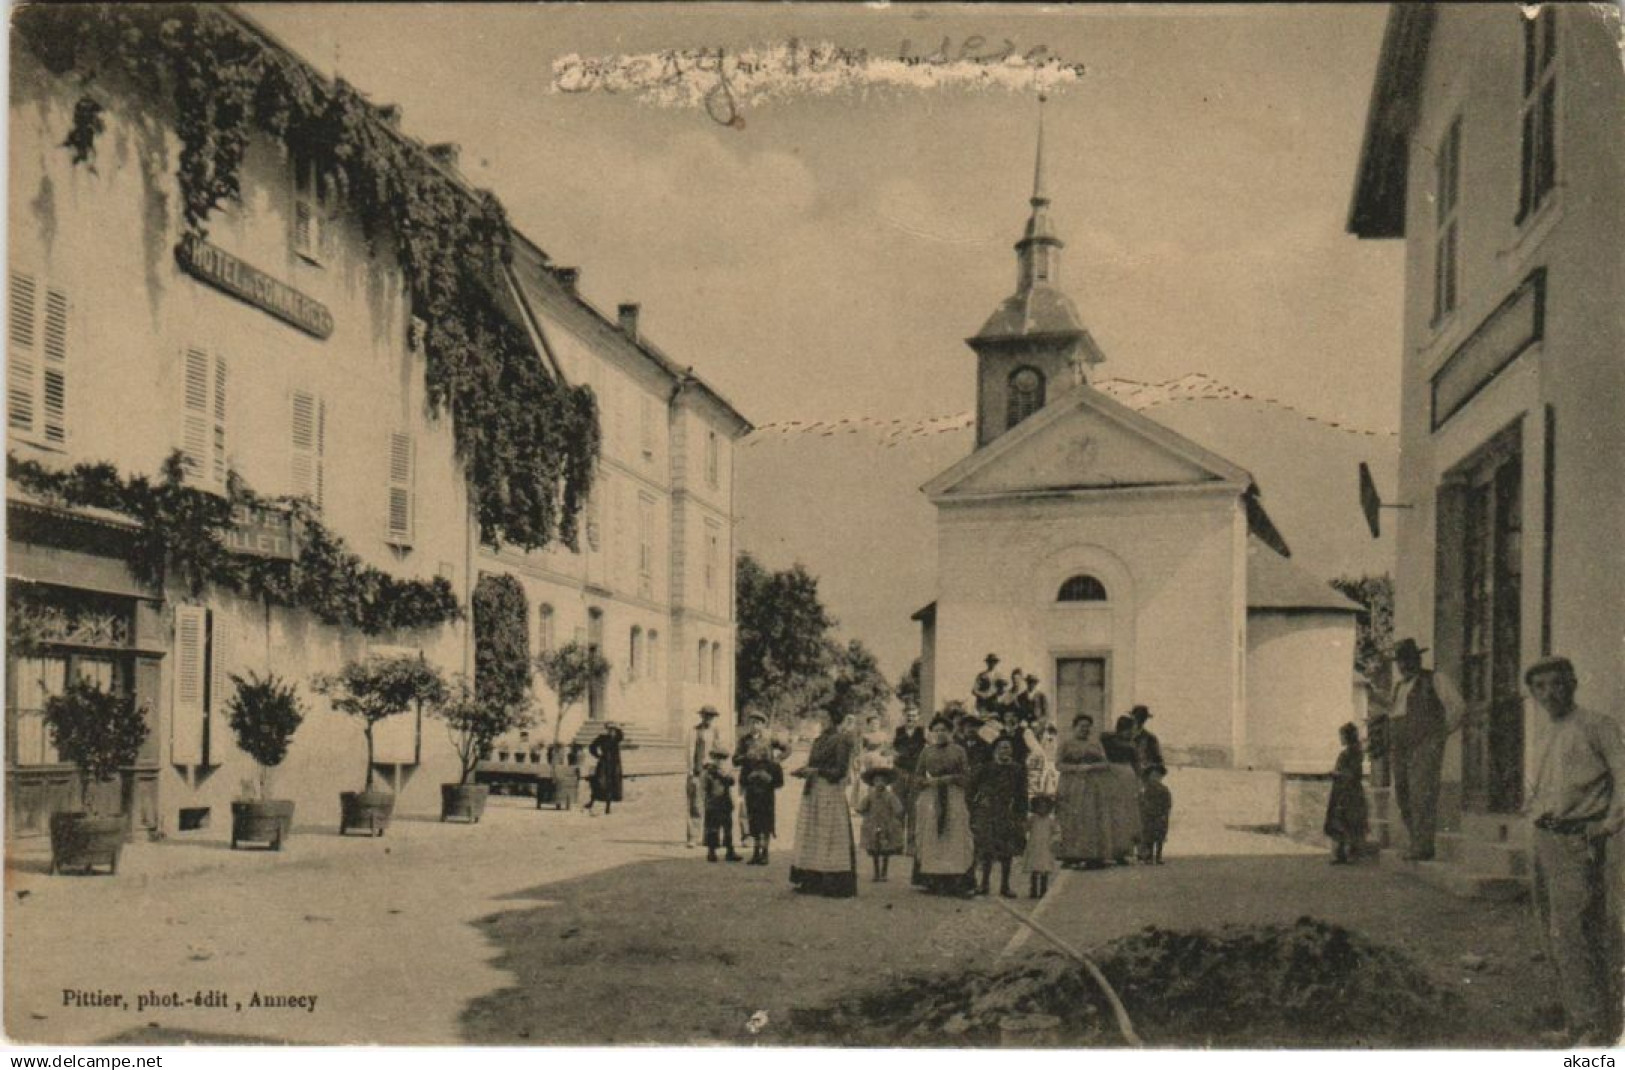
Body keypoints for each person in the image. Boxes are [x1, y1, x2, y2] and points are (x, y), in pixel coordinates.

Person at [1523, 656, 1625, 1045]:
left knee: (1577, 931)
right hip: (1545, 838)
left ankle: (1592, 1028)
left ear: (1573, 684)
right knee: (1553, 931)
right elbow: (1545, 785)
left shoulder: (1597, 726)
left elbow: (1623, 778)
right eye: (1540, 687)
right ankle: (1576, 1016)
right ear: (1533, 694)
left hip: (1578, 840)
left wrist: (1609, 824)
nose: (1550, 692)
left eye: (1557, 683)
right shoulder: (1546, 731)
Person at [1386, 638, 1465, 861]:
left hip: (1425, 745)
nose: (1404, 666)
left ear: (1418, 659)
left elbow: (1458, 708)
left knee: (1421, 794)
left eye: (1409, 660)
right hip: (1400, 747)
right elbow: (1396, 716)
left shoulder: (1436, 679)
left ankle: (1424, 847)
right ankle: (1416, 842)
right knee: (1403, 794)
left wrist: (1439, 735)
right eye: (1400, 661)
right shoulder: (1399, 687)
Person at [788, 708, 859, 897]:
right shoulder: (818, 740)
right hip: (814, 792)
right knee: (812, 835)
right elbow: (814, 764)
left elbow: (840, 771)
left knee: (831, 836)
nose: (822, 721)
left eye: (826, 717)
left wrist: (816, 772)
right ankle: (811, 880)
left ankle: (834, 883)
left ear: (834, 719)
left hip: (830, 791)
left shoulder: (842, 740)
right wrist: (803, 771)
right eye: (821, 717)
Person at [912, 714, 976, 896]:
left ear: (951, 732)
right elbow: (917, 777)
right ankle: (934, 879)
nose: (940, 734)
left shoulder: (959, 751)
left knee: (954, 835)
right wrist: (926, 782)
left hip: (953, 796)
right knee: (932, 835)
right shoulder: (926, 752)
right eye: (936, 730)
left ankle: (955, 879)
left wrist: (952, 778)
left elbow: (966, 777)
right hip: (932, 797)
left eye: (944, 730)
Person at [970, 738, 1028, 897]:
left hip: (1007, 812)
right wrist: (978, 803)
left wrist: (1021, 815)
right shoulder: (987, 768)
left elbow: (1022, 794)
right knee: (987, 849)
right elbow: (973, 787)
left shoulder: (1018, 769)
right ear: (995, 750)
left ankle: (1005, 886)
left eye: (1008, 748)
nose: (1005, 751)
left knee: (1006, 851)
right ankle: (984, 884)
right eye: (1002, 748)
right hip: (989, 813)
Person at [1055, 715, 1114, 869]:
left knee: (1090, 819)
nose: (1085, 729)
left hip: (1091, 786)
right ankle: (1070, 855)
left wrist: (1091, 767)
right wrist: (1076, 768)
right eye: (1082, 726)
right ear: (1074, 727)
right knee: (1070, 819)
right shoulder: (1065, 744)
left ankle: (1092, 855)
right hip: (1070, 785)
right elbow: (1058, 765)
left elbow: (1106, 763)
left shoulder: (1095, 744)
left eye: (1088, 726)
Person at [1323, 722, 1368, 865]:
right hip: (1342, 791)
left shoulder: (1353, 753)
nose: (1340, 738)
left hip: (1349, 792)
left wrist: (1337, 774)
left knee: (1348, 821)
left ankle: (1349, 854)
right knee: (1340, 821)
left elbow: (1354, 773)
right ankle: (1341, 853)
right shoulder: (1350, 752)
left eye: (1342, 735)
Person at [738, 733, 786, 866]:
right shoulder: (749, 766)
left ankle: (765, 853)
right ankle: (755, 853)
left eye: (764, 750)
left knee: (766, 826)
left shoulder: (773, 766)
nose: (761, 753)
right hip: (752, 798)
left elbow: (780, 783)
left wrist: (769, 778)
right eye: (758, 750)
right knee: (754, 825)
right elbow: (742, 780)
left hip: (767, 799)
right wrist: (750, 777)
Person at [1102, 714, 1145, 864]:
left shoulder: (1126, 743)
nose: (1133, 732)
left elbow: (1137, 765)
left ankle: (1122, 850)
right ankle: (1113, 850)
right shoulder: (1107, 740)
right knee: (1116, 812)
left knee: (1124, 813)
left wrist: (1139, 783)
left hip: (1124, 778)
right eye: (1132, 729)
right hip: (1114, 777)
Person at [857, 766, 906, 882]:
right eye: (877, 781)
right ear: (873, 783)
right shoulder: (870, 796)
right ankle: (876, 872)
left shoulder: (890, 796)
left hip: (887, 825)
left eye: (882, 781)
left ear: (887, 783)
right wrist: (865, 814)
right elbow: (861, 807)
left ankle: (884, 872)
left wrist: (894, 818)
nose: (880, 784)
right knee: (874, 850)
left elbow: (898, 809)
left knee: (885, 850)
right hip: (873, 824)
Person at [686, 706, 724, 847]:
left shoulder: (716, 731)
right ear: (701, 716)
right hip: (698, 770)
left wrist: (718, 769)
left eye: (711, 716)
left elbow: (720, 751)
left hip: (712, 772)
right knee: (695, 804)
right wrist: (691, 771)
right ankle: (693, 837)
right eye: (706, 716)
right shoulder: (694, 731)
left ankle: (710, 837)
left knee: (712, 805)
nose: (708, 718)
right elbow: (690, 752)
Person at [892, 708, 928, 853]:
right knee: (899, 808)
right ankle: (897, 845)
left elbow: (928, 750)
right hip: (900, 773)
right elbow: (893, 751)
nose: (911, 718)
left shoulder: (922, 732)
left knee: (914, 810)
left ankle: (912, 846)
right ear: (904, 716)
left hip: (916, 773)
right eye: (908, 716)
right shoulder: (898, 731)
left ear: (918, 717)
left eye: (914, 716)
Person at [701, 749, 743, 863]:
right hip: (713, 803)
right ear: (713, 759)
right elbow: (704, 787)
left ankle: (730, 851)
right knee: (712, 828)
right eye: (718, 758)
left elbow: (732, 781)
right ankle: (711, 852)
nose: (720, 761)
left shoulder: (725, 771)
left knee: (728, 828)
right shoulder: (708, 772)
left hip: (725, 802)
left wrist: (723, 774)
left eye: (723, 759)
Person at [586, 722, 625, 815]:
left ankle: (608, 807)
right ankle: (591, 802)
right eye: (610, 730)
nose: (611, 732)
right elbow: (592, 747)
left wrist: (618, 727)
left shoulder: (617, 739)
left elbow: (621, 736)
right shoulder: (602, 738)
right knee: (598, 782)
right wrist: (597, 755)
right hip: (603, 764)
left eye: (613, 730)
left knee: (611, 785)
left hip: (614, 765)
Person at [1024, 794, 1058, 898]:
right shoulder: (1033, 819)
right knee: (1034, 869)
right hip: (1034, 846)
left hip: (1045, 847)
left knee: (1044, 868)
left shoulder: (1051, 820)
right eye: (1039, 807)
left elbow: (1057, 831)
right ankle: (1033, 890)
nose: (1041, 809)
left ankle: (1043, 889)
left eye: (1044, 807)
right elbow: (1026, 828)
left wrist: (1054, 841)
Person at [1138, 764, 1171, 865]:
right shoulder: (1145, 789)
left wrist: (1165, 814)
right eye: (1153, 776)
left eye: (1157, 776)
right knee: (1149, 837)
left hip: (1160, 816)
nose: (1155, 778)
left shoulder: (1164, 790)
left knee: (1159, 837)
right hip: (1149, 816)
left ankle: (1158, 856)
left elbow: (1168, 803)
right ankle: (1149, 856)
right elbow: (1141, 801)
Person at [1129, 705, 1164, 779]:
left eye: (1142, 718)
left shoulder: (1150, 739)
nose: (1139, 720)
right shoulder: (1125, 735)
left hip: (1142, 777)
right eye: (1137, 717)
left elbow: (1159, 763)